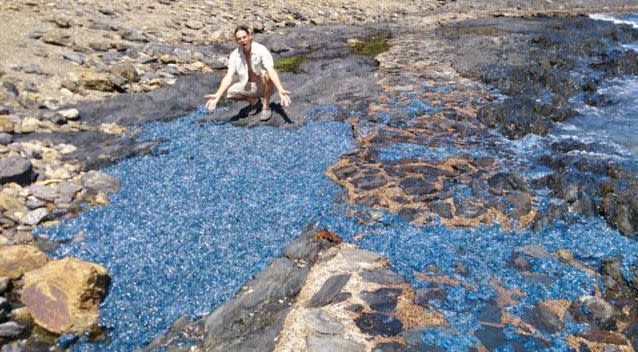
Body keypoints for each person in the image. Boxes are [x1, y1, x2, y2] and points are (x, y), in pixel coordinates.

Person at [205, 25, 292, 121]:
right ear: (236, 41)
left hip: (266, 86)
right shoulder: (235, 55)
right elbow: (229, 76)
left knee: (267, 75)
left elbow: (270, 69)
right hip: (250, 86)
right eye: (239, 39)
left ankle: (266, 107)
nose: (242, 40)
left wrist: (280, 89)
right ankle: (255, 102)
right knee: (230, 93)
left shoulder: (261, 50)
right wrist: (218, 95)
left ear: (250, 36)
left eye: (244, 37)